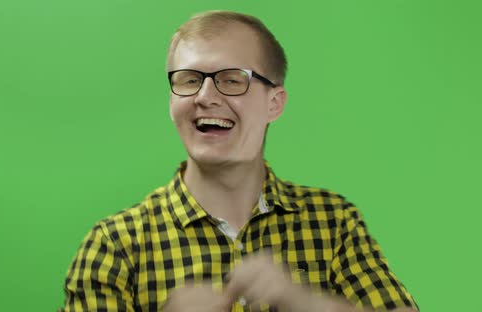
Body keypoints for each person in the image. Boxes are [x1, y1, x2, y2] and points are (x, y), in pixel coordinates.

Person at [60, 11, 418, 312]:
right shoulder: (115, 245)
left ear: (274, 103)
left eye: (232, 80)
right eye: (189, 80)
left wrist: (301, 300)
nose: (204, 96)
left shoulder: (335, 224)